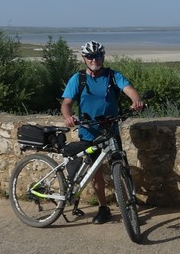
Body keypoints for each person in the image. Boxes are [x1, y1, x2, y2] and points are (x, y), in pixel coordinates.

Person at [61, 40, 144, 224]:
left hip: (111, 129)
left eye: (98, 55)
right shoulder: (78, 78)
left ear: (103, 57)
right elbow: (66, 103)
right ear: (84, 58)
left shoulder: (113, 76)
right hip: (89, 131)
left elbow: (129, 89)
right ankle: (103, 207)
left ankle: (127, 207)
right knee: (95, 172)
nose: (94, 59)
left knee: (120, 167)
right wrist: (68, 117)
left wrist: (136, 100)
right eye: (90, 56)